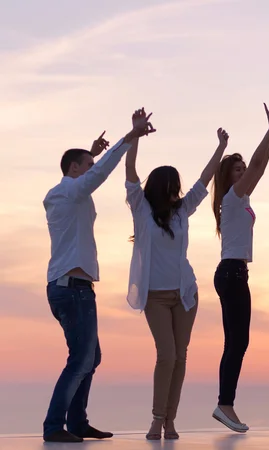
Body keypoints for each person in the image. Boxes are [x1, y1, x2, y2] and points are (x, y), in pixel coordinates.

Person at [42, 109, 155, 443]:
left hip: (72, 287)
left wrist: (93, 152)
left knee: (90, 357)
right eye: (86, 166)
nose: (91, 171)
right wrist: (130, 136)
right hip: (72, 289)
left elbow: (89, 174)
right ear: (74, 170)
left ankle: (77, 423)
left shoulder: (66, 193)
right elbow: (98, 175)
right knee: (81, 358)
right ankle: (54, 426)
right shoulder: (67, 192)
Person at [124, 112, 230, 440]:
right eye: (172, 188)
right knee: (166, 354)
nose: (177, 192)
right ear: (161, 188)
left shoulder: (183, 211)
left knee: (180, 356)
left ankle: (171, 420)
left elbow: (205, 179)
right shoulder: (141, 209)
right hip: (155, 296)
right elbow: (130, 174)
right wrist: (135, 135)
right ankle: (157, 418)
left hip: (185, 293)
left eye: (178, 188)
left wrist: (221, 147)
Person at [211, 104, 269, 432]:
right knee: (237, 342)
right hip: (231, 273)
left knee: (237, 341)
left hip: (234, 273)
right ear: (229, 176)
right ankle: (225, 404)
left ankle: (226, 403)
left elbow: (259, 167)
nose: (243, 172)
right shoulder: (234, 196)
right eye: (236, 169)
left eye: (242, 169)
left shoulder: (239, 199)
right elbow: (257, 166)